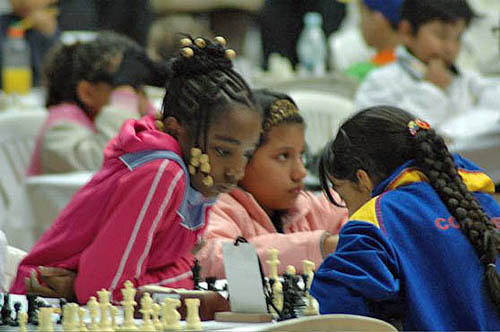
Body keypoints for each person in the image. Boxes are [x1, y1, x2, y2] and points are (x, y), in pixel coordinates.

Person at [11, 36, 263, 304]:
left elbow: (187, 267)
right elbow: (107, 291)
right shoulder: (163, 172)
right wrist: (187, 284)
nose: (236, 171)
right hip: (41, 304)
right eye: (224, 151)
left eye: (246, 154)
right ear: (176, 129)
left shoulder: (202, 171)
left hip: (90, 306)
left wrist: (181, 278)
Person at [309, 106, 500, 330]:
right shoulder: (486, 205)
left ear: (363, 179)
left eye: (343, 196)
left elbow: (340, 306)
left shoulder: (378, 217)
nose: (348, 212)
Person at [196, 90, 348, 278]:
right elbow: (213, 258)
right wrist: (320, 247)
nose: (300, 172)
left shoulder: (305, 206)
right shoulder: (215, 207)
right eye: (283, 156)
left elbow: (353, 211)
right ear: (241, 159)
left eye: (301, 155)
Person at [27, 31, 169, 175]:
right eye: (125, 85)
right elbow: (109, 161)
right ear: (87, 92)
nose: (137, 96)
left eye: (139, 85)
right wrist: (124, 92)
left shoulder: (135, 108)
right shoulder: (59, 130)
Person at [354, 0, 500, 140]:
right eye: (441, 36)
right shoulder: (380, 82)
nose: (450, 47)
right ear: (407, 31)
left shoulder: (465, 79)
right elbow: (388, 139)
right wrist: (431, 90)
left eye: (458, 38)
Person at [344, 0, 402, 82]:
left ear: (378, 20)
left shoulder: (358, 75)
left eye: (362, 16)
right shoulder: (418, 68)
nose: (360, 24)